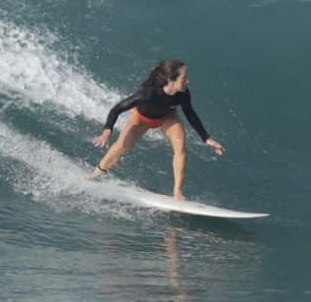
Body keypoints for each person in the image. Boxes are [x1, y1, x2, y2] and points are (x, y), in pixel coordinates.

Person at [91, 58, 225, 200]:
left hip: (167, 117)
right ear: (170, 80)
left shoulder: (183, 94)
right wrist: (107, 131)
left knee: (180, 145)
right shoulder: (148, 94)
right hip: (141, 117)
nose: (188, 81)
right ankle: (96, 174)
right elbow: (117, 109)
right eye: (184, 77)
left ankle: (177, 192)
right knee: (121, 145)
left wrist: (206, 138)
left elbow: (190, 114)